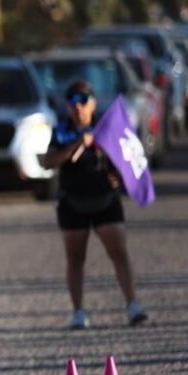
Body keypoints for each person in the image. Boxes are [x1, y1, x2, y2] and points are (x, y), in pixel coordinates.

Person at [41, 80, 149, 329]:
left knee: (119, 253)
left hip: (105, 201)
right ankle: (78, 311)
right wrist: (77, 145)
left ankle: (133, 305)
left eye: (82, 102)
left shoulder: (108, 128)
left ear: (93, 104)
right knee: (75, 258)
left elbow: (130, 159)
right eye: (72, 103)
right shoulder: (61, 132)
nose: (78, 108)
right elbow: (48, 162)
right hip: (73, 202)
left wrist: (120, 178)